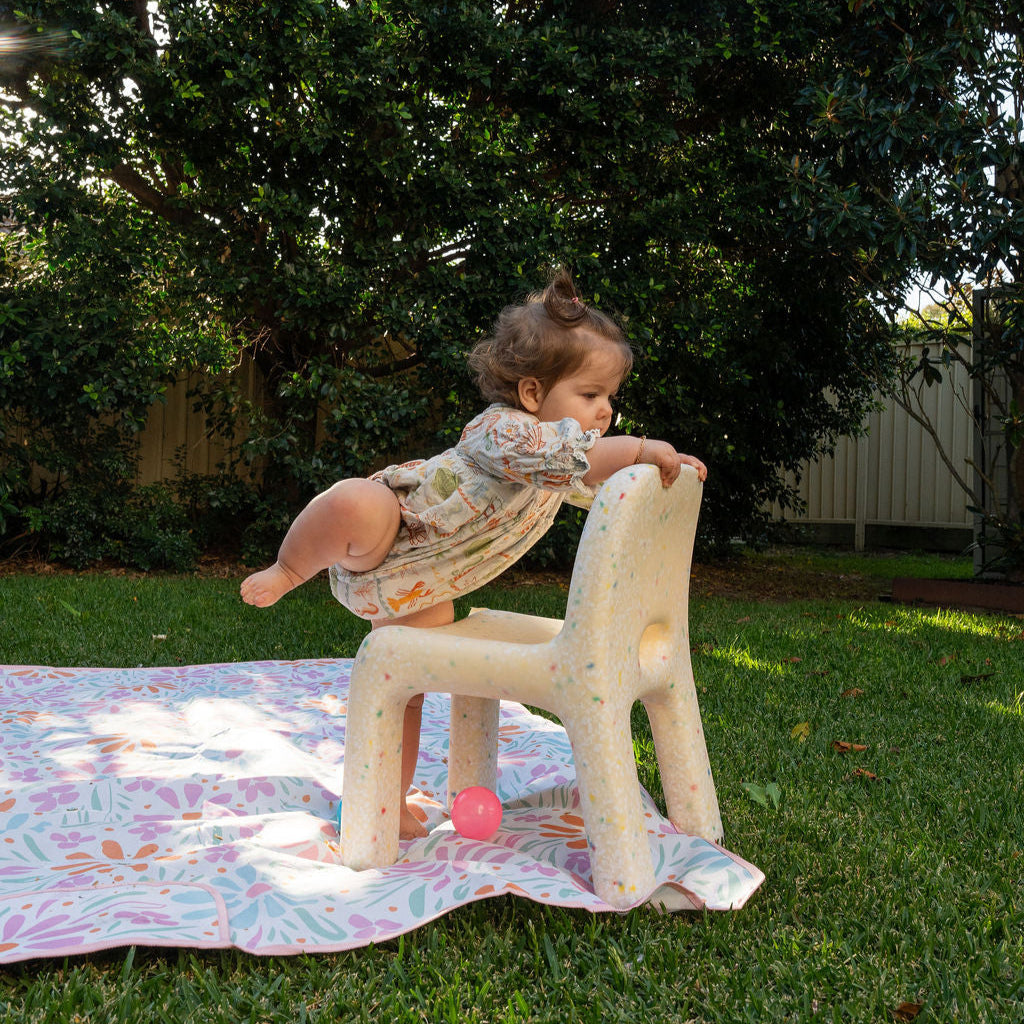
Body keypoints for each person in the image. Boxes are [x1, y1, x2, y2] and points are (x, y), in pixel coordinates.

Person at [240, 270, 707, 838]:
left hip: (423, 588)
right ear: (532, 393)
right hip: (395, 534)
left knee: (404, 689)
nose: (606, 410)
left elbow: (606, 490)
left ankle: (384, 798)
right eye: (590, 395)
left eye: (610, 397)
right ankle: (289, 566)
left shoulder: (560, 469)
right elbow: (572, 457)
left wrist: (664, 472)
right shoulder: (503, 431)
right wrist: (639, 447)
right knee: (360, 501)